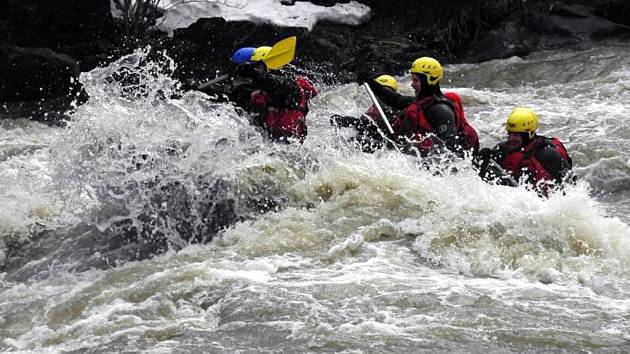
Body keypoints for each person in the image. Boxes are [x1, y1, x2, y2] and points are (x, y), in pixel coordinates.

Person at [361, 57, 479, 157]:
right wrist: (371, 83)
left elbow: (450, 149)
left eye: (416, 80)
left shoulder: (440, 110)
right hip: (417, 156)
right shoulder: (422, 102)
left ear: (429, 80)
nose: (412, 84)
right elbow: (395, 100)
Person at [474, 107, 575, 195]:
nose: (511, 138)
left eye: (516, 135)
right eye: (510, 134)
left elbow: (571, 184)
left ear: (528, 135)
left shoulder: (547, 154)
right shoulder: (502, 149)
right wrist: (480, 162)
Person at [232, 46, 318, 143]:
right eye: (255, 67)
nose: (256, 70)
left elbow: (273, 83)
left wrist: (253, 73)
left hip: (290, 145)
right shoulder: (259, 90)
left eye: (258, 67)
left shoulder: (290, 86)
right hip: (270, 143)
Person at [330, 74, 403, 152]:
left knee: (356, 140)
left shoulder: (394, 111)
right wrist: (345, 120)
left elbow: (368, 125)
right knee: (352, 140)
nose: (382, 96)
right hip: (376, 144)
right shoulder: (374, 110)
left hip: (385, 146)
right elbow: (363, 124)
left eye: (387, 91)